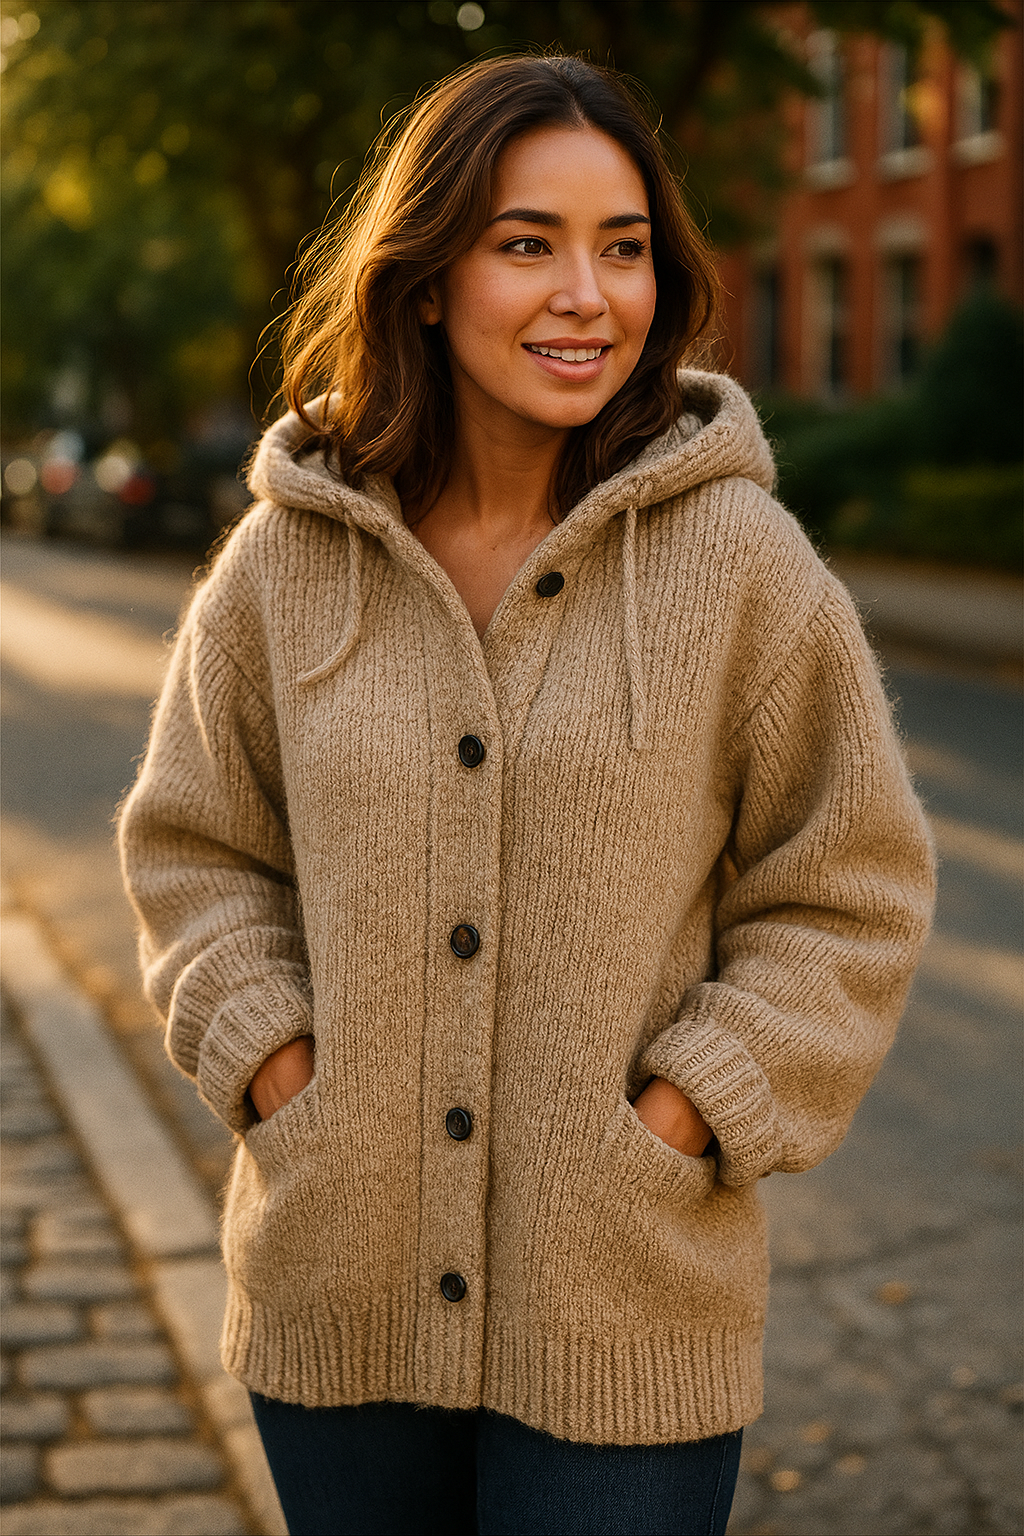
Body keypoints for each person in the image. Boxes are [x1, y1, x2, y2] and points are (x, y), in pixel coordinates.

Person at [119, 52, 935, 1536]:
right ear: (426, 279)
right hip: (336, 1297)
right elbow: (197, 849)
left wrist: (691, 1110)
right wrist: (277, 1069)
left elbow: (851, 884)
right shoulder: (290, 561)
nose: (588, 294)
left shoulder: (739, 565)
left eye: (621, 247)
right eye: (527, 244)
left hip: (623, 1308)